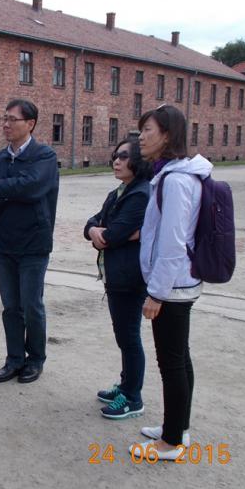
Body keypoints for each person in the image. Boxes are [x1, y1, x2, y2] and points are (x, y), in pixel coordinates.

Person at [131, 104, 212, 461]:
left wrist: (156, 293)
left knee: (171, 362)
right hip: (178, 283)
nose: (141, 137)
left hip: (173, 286)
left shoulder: (177, 180)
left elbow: (173, 242)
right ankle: (177, 427)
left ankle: (171, 443)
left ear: (167, 135)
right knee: (180, 357)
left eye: (147, 130)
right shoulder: (170, 174)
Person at [0, 99, 59, 384]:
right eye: (5, 119)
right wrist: (10, 190)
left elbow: (34, 186)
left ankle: (35, 360)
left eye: (13, 119)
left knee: (32, 305)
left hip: (34, 244)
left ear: (31, 123)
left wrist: (0, 187)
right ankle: (14, 360)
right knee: (11, 306)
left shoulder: (44, 156)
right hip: (4, 244)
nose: (6, 124)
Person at [84, 138, 151, 419]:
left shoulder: (140, 194)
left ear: (138, 160)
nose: (116, 161)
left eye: (124, 156)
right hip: (116, 275)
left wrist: (103, 235)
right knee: (123, 335)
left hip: (130, 278)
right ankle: (125, 385)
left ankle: (133, 397)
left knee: (129, 336)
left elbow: (113, 234)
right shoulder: (118, 193)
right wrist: (95, 233)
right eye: (115, 155)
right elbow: (92, 222)